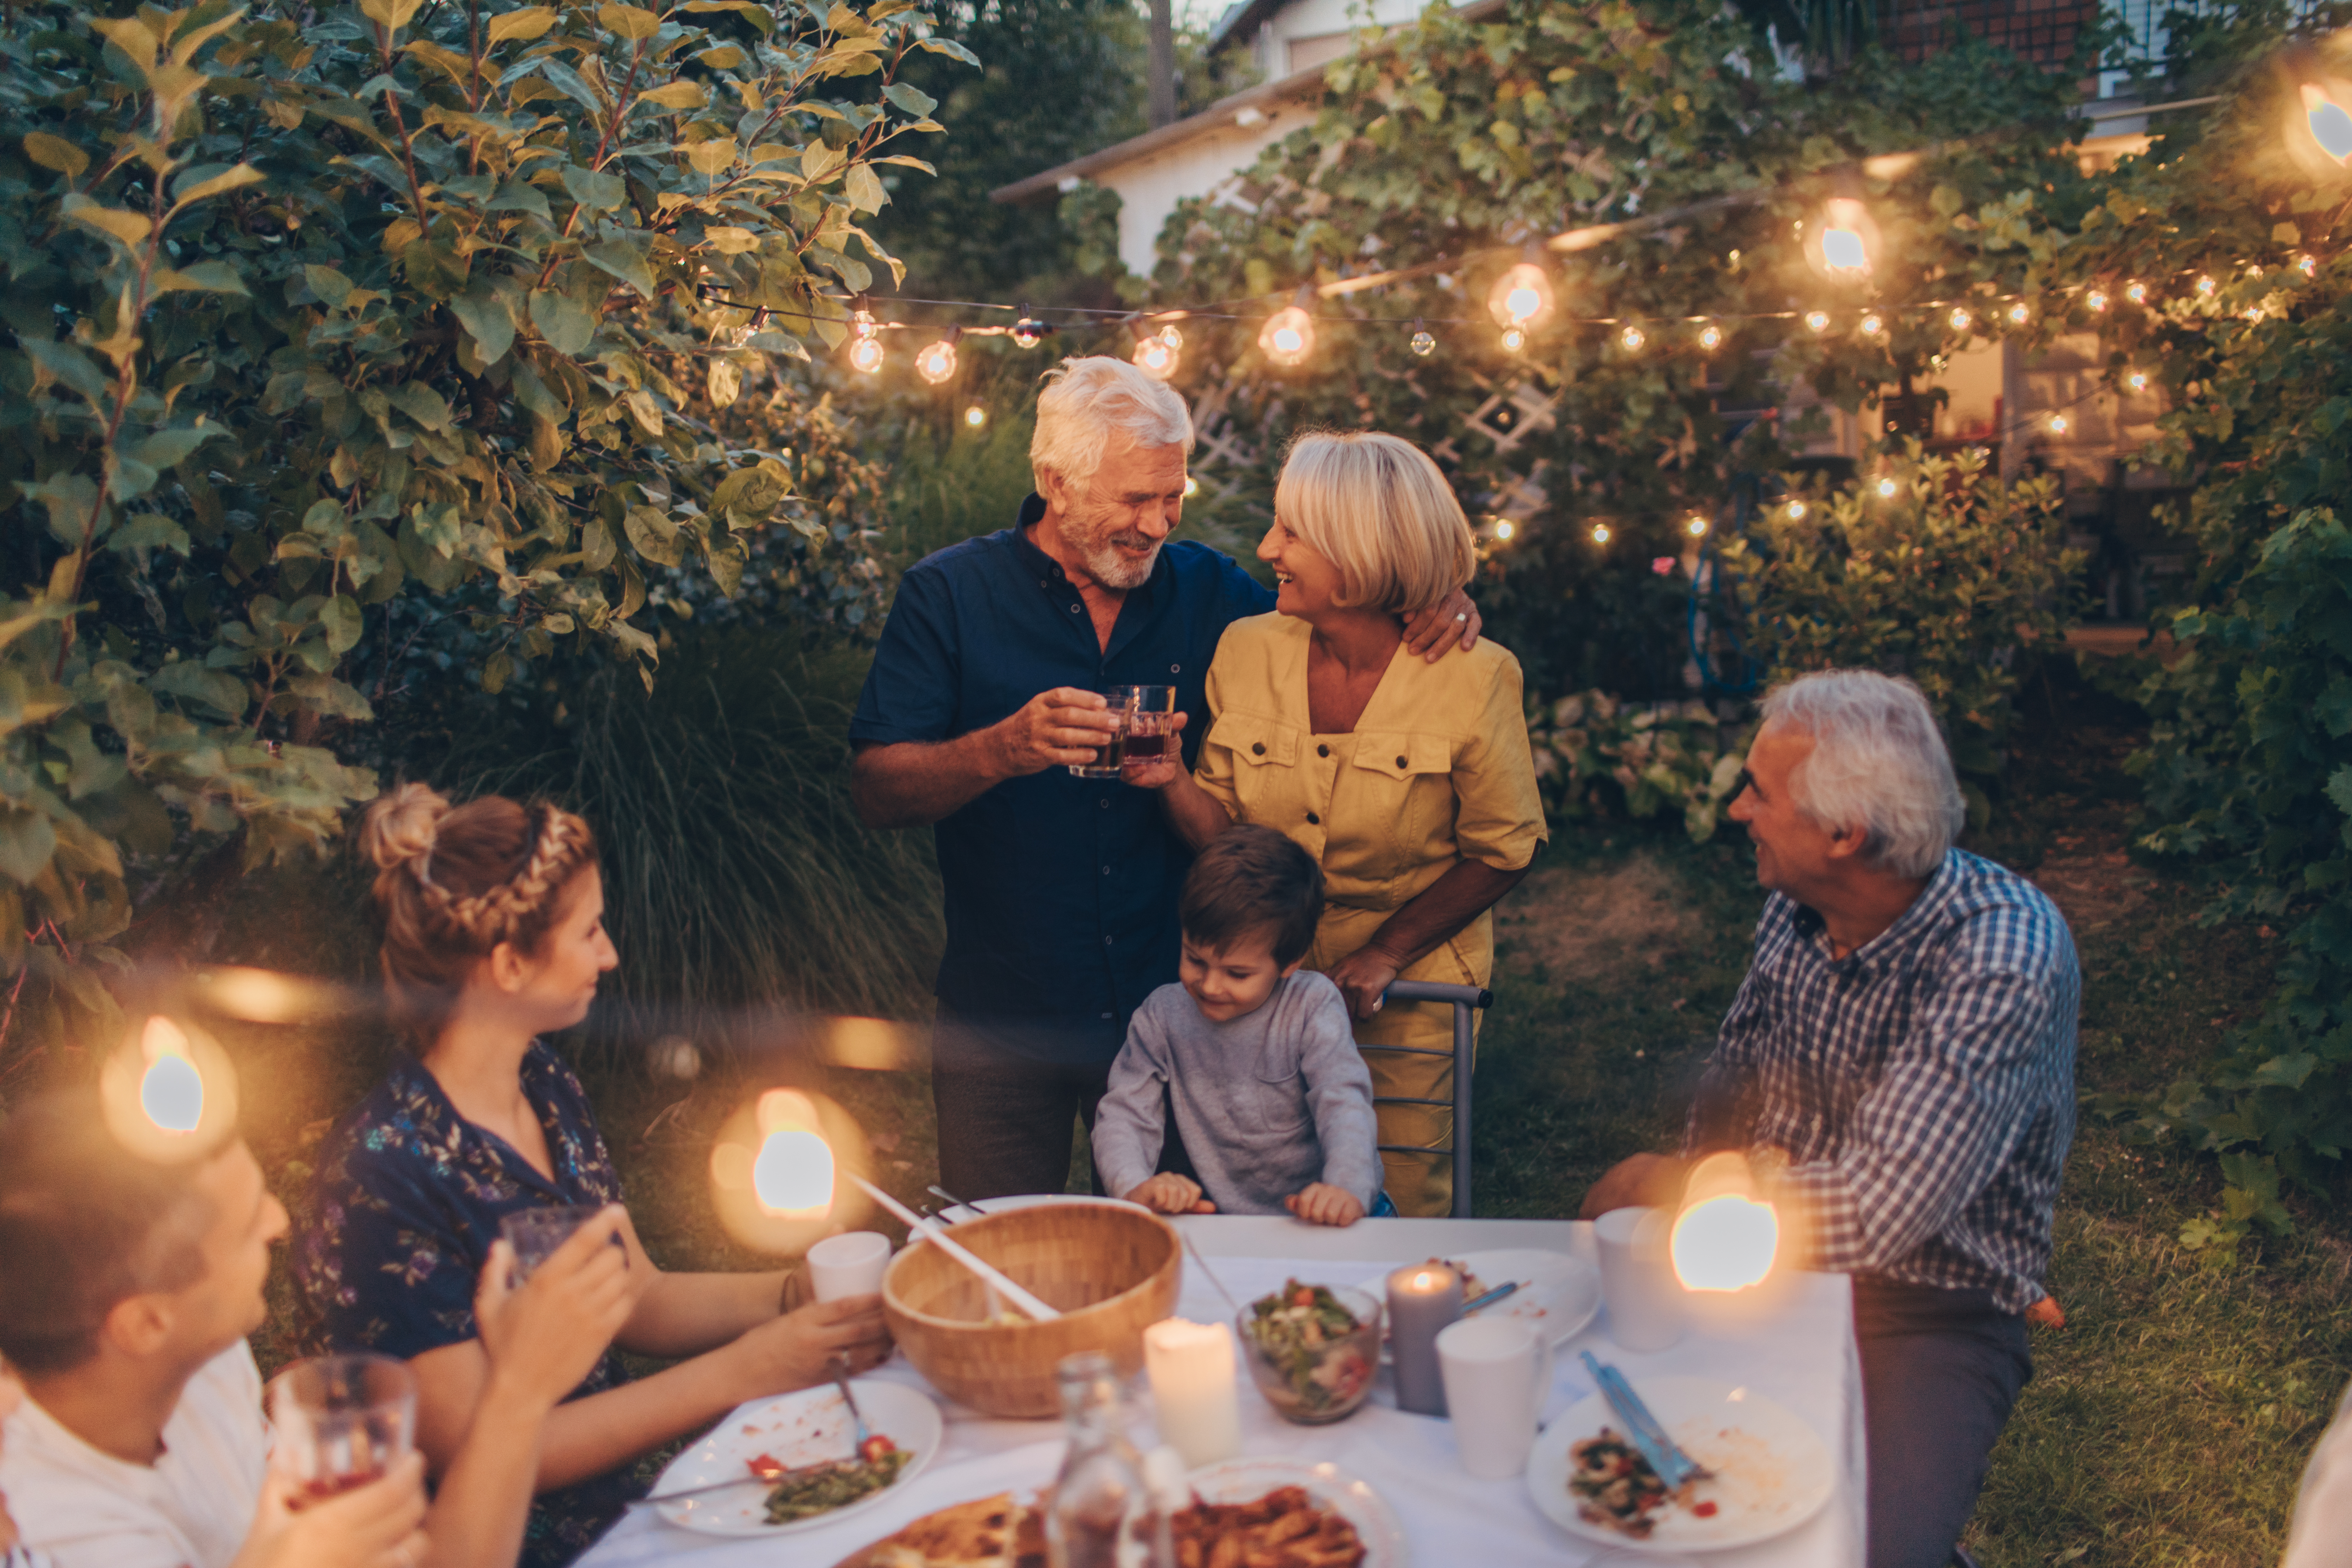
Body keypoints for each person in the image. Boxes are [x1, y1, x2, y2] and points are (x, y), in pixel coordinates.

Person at [848, 358, 1483, 1203]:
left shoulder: (1211, 593)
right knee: (998, 1252)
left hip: (1192, 1006)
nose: (1158, 523)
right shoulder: (948, 596)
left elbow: (1342, 609)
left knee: (1205, 1249)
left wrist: (1443, 600)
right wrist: (1002, 747)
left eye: (1172, 496)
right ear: (1055, 484)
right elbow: (876, 790)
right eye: (1133, 499)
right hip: (1006, 1014)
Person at [293, 786, 891, 1568]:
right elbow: (499, 1449)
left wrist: (792, 1294)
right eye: (589, 930)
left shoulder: (539, 1079)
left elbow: (634, 1293)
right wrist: (749, 1368)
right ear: (509, 963)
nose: (609, 953)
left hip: (623, 1514)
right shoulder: (383, 1181)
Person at [1579, 670, 2080, 1568]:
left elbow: (1879, 1210)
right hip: (1762, 1261)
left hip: (1932, 1305)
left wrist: (1671, 1194)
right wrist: (1704, 1185)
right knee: (1621, 1477)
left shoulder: (2003, 955)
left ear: (1845, 835)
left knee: (1849, 1552)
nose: (1739, 810)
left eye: (1760, 793)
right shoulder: (1797, 905)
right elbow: (1737, 1072)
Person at [1143, 431, 1546, 1216]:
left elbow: (1506, 848)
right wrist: (1171, 778)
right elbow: (1230, 838)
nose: (1268, 548)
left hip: (1411, 991)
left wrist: (1387, 950)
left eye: (1291, 533)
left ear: (1358, 556)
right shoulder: (1247, 647)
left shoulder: (1477, 675)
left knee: (1399, 1196)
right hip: (1269, 980)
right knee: (1273, 1187)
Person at [0, 1087, 632, 1568]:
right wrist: (519, 1388)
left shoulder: (199, 1365)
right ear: (145, 1323)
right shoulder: (63, 1533)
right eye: (247, 1224)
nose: (278, 1220)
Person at [1091, 825, 1382, 1225]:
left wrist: (1346, 1188)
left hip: (1332, 1215)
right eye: (1195, 959)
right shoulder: (1162, 1015)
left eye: (1237, 974)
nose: (1210, 985)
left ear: (1289, 962)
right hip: (1231, 1224)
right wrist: (1133, 1186)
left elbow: (1343, 1102)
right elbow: (1124, 1114)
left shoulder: (1312, 1005)